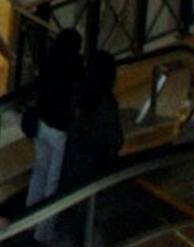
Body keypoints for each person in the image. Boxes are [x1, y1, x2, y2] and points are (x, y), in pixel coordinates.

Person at [19, 23, 82, 210]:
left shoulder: (49, 63)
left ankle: (29, 212)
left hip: (41, 123)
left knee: (39, 171)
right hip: (59, 129)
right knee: (52, 180)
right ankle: (44, 228)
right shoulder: (75, 68)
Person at [57, 49, 124, 200]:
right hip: (94, 160)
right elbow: (116, 139)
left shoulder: (76, 92)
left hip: (71, 153)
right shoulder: (107, 103)